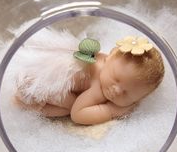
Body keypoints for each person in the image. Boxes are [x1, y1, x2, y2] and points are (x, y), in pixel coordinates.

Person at [15, 36, 164, 125]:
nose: (116, 90)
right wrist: (111, 111)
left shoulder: (103, 58)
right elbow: (77, 115)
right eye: (115, 78)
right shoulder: (98, 88)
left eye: (126, 94)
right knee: (69, 107)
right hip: (35, 84)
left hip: (32, 63)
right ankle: (27, 104)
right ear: (110, 56)